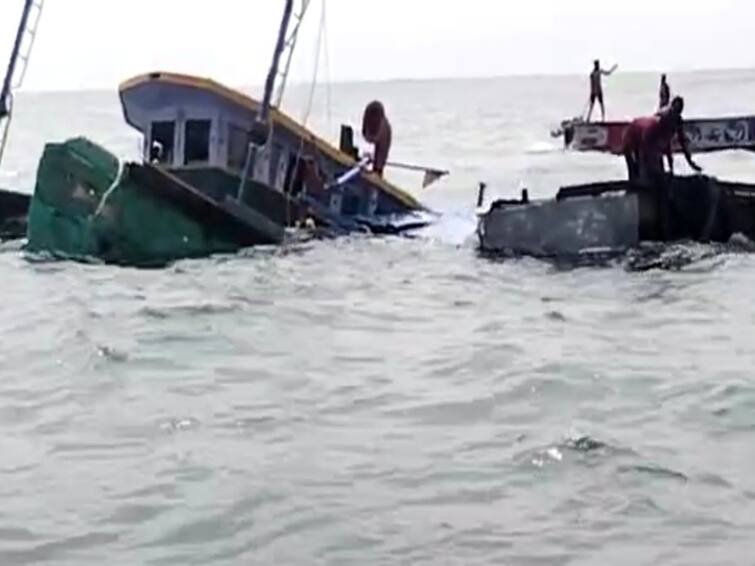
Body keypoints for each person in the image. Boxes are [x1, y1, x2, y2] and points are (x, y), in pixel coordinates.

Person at [622, 95, 702, 184]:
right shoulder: (656, 125)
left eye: (677, 115)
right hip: (632, 139)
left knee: (659, 173)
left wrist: (690, 163)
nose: (673, 126)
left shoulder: (677, 122)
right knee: (639, 174)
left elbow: (681, 143)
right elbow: (643, 151)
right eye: (672, 117)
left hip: (649, 144)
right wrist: (644, 171)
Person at [361, 100, 392, 176]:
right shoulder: (379, 123)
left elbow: (375, 139)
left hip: (381, 153)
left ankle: (377, 171)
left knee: (379, 162)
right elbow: (367, 136)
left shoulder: (384, 127)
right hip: (378, 149)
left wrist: (378, 168)